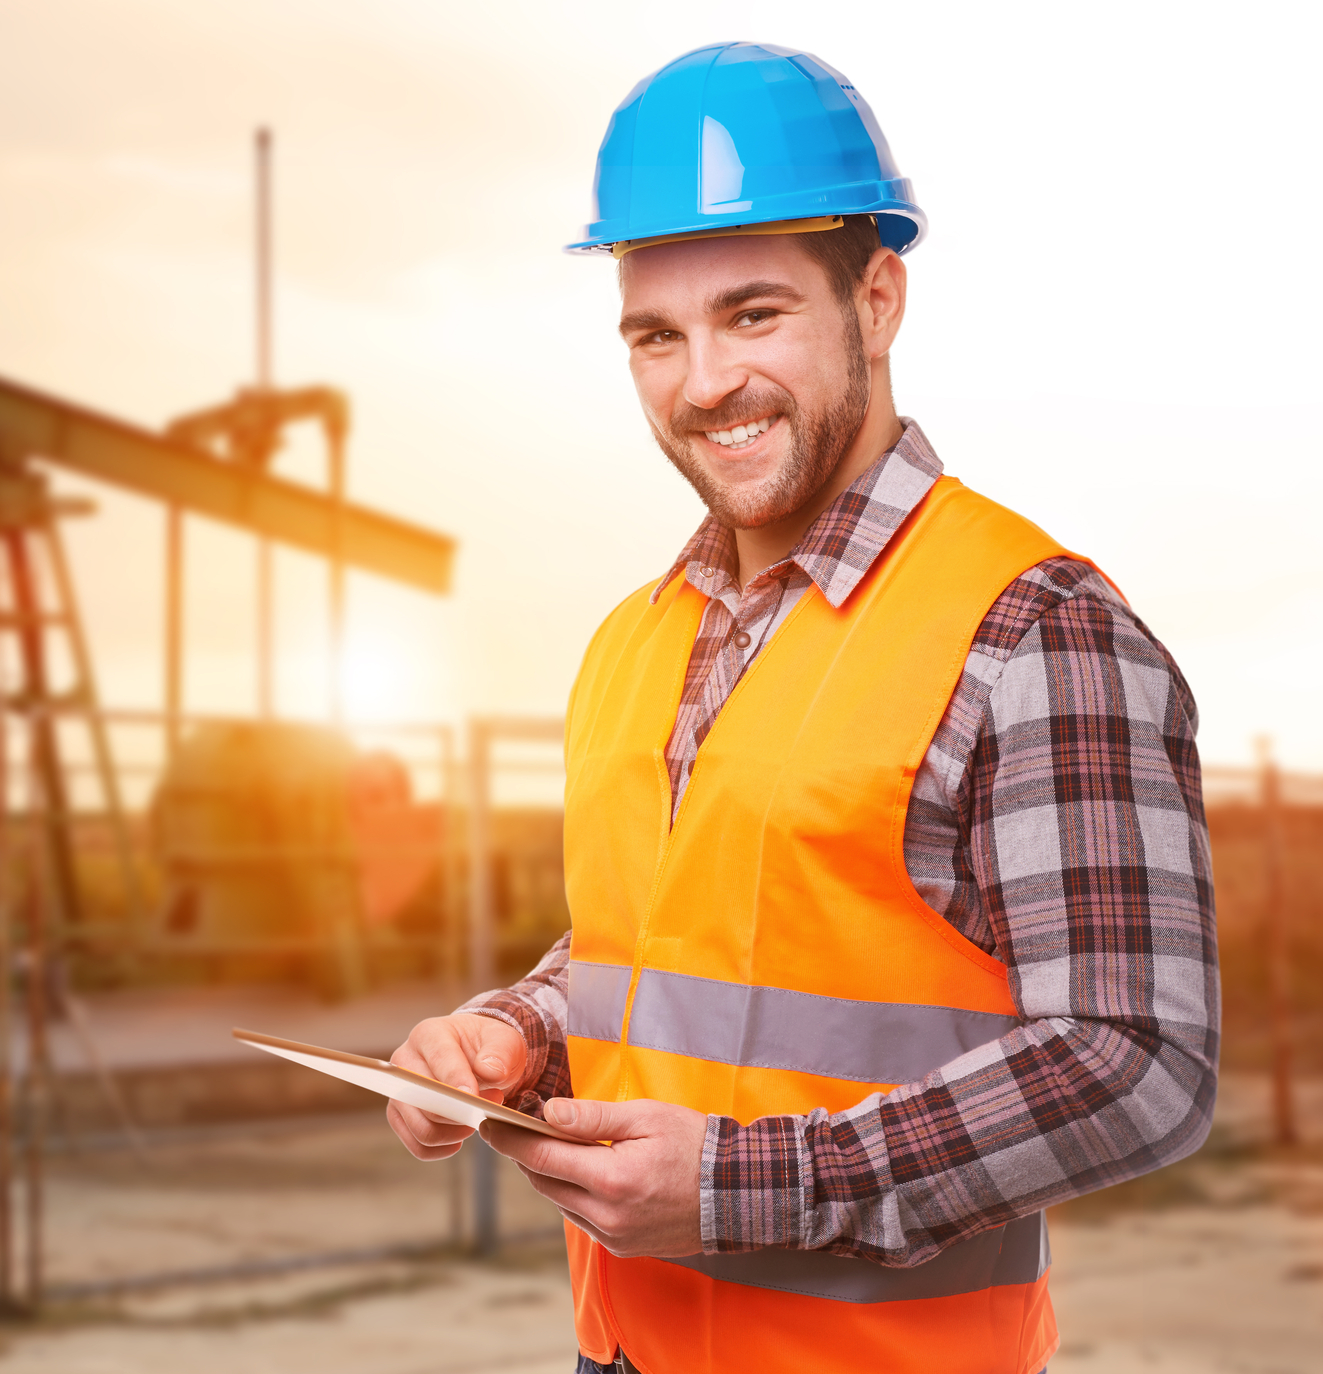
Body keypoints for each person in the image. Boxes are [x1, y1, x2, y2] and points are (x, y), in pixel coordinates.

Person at [384, 43, 1218, 1374]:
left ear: (876, 299)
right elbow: (666, 948)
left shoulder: (1030, 628)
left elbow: (1135, 1059)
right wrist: (517, 1034)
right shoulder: (631, 638)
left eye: (753, 313)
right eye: (655, 335)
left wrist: (743, 1187)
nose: (702, 380)